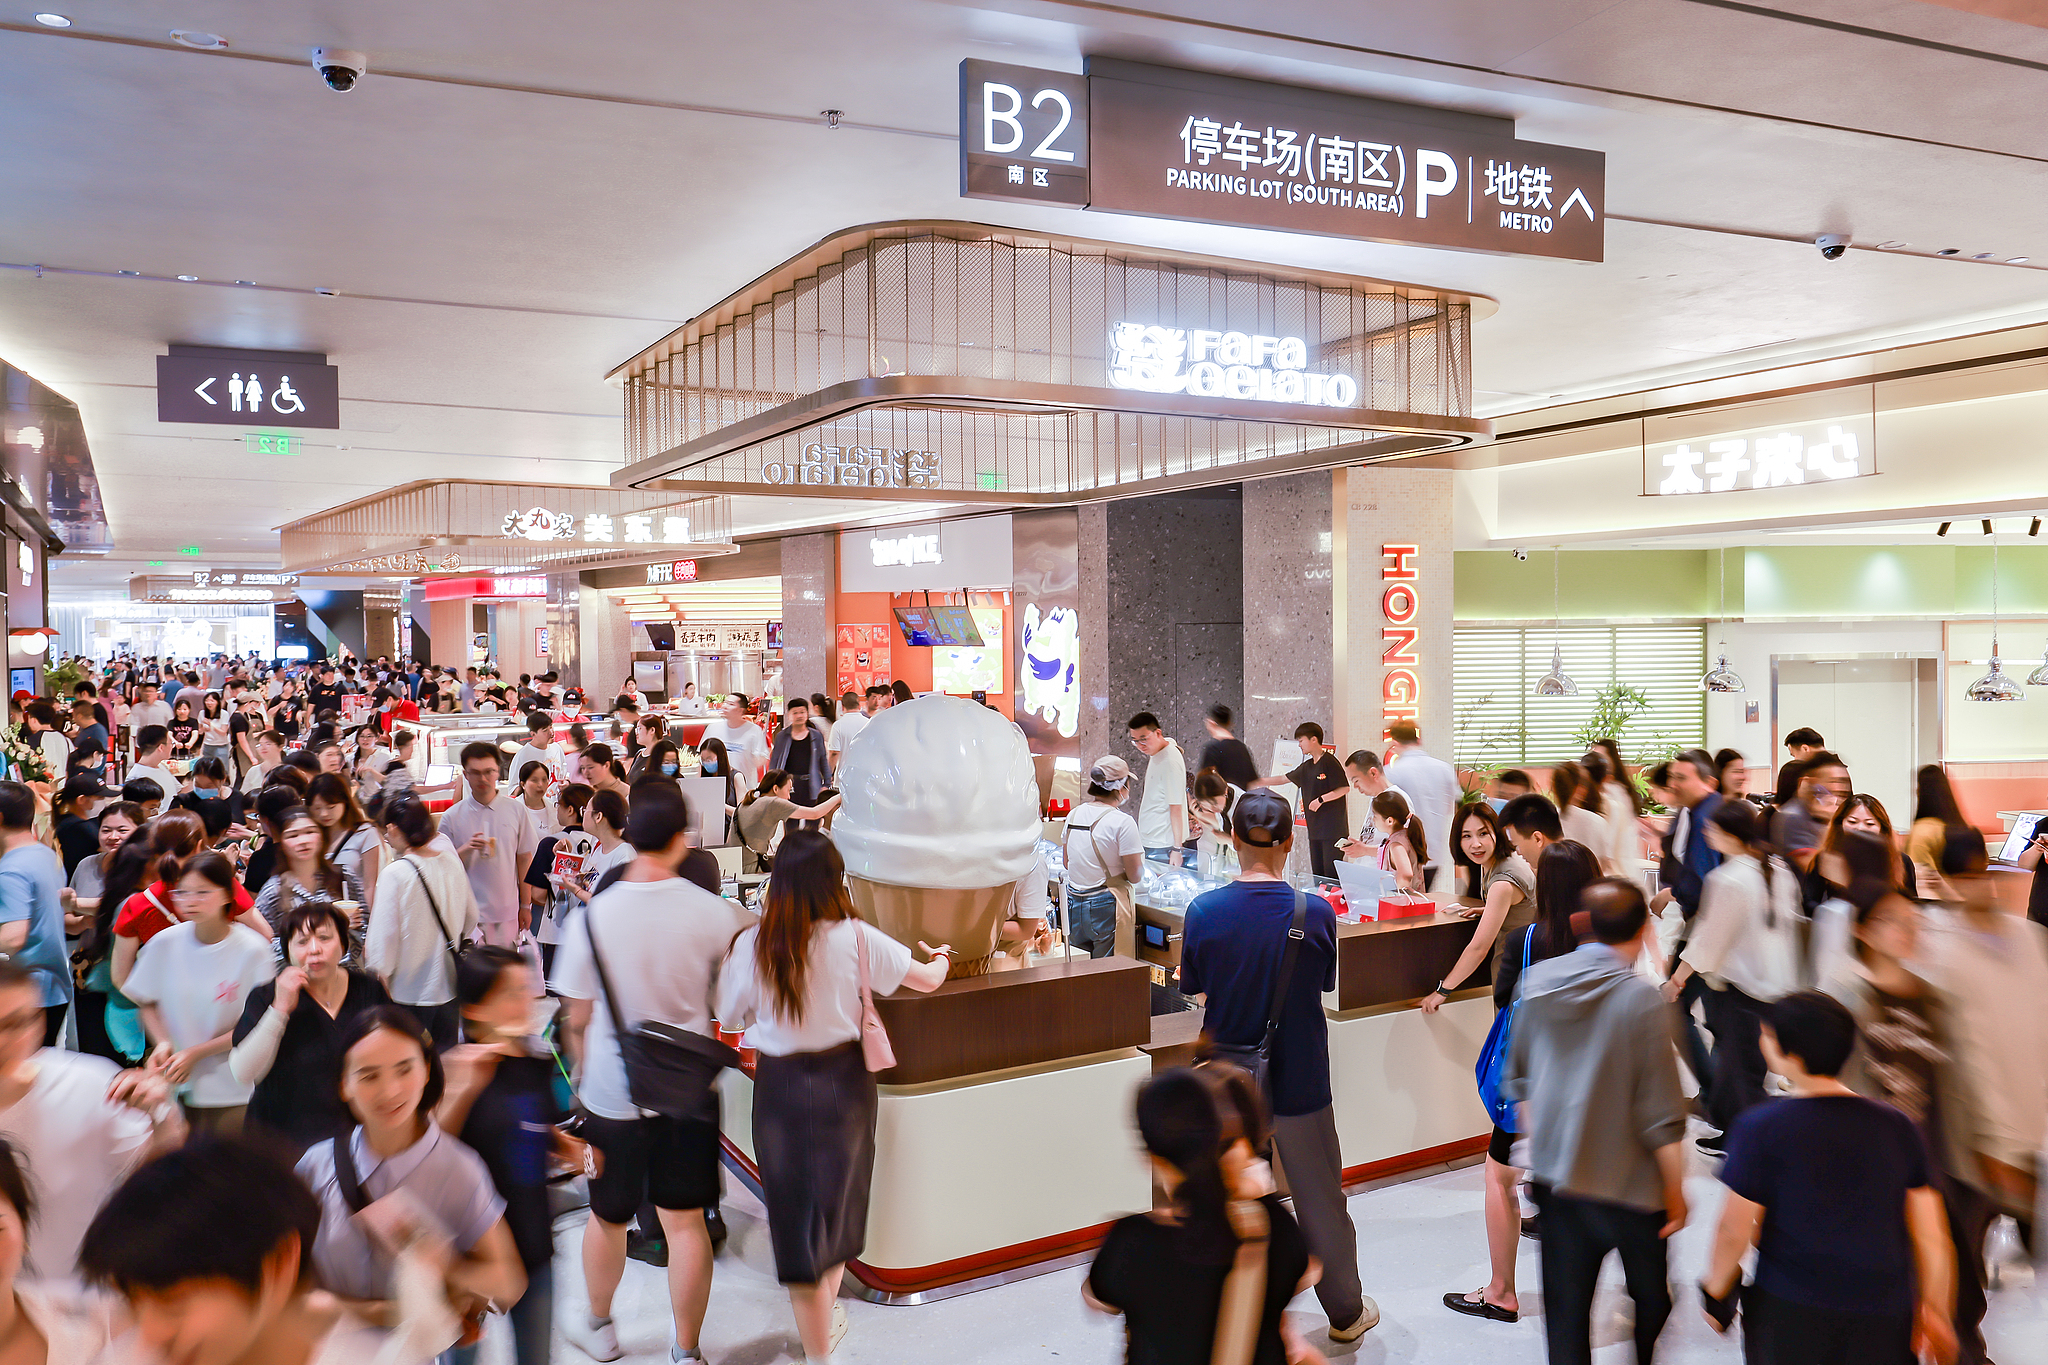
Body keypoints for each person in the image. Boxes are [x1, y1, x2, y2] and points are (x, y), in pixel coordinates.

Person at [714, 830, 951, 1365]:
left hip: (779, 1091)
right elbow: (927, 980)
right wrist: (940, 956)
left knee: (796, 1225)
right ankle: (822, 1332)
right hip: (845, 1088)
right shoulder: (856, 937)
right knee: (841, 1211)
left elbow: (727, 1015)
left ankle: (818, 1345)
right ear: (833, 880)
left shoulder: (754, 944)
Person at [553, 783, 752, 1364]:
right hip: (685, 1090)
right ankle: (686, 1351)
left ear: (633, 834)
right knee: (686, 1225)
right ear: (681, 838)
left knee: (608, 1218)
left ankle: (599, 1328)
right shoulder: (713, 912)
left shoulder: (594, 917)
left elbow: (575, 1018)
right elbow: (735, 995)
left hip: (612, 1095)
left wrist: (584, 1079)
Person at [1177, 789, 1377, 1343]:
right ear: (1290, 842)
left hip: (1228, 1083)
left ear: (1232, 839)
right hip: (1301, 1076)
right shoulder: (1315, 912)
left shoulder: (1203, 911)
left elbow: (1196, 988)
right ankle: (1345, 1313)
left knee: (1227, 1199)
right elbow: (1323, 983)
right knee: (1319, 1200)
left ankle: (1227, 1316)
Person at [1700, 992, 1958, 1365]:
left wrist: (1716, 1293)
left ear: (1790, 1054)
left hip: (1790, 1312)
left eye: (1767, 1035)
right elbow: (1931, 1234)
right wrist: (1937, 1311)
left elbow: (1733, 1230)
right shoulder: (1898, 1126)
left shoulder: (1760, 1128)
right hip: (1883, 1312)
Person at [1503, 879, 1688, 1365]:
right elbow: (1661, 1114)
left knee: (1566, 1320)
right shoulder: (1641, 1001)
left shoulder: (1536, 984)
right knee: (1653, 1298)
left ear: (1580, 923)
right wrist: (1675, 1191)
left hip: (1561, 1184)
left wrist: (1545, 1154)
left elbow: (1520, 1084)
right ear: (1644, 930)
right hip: (1634, 1189)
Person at [1824, 875, 1993, 1364]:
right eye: (1893, 920)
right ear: (1862, 930)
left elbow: (1961, 1086)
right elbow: (1829, 1094)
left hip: (1946, 1168)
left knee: (1961, 1297)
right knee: (1895, 1302)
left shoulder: (1936, 998)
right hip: (1882, 1178)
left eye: (1914, 919)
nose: (1909, 929)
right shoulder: (1843, 1000)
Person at [295, 1008, 524, 1344]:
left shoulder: (458, 1169)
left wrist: (449, 1267)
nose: (390, 1091)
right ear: (344, 1084)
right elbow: (286, 1281)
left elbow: (509, 1281)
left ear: (427, 1070)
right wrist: (384, 1313)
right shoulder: (316, 1166)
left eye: (404, 1069)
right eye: (369, 1076)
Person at [1444, 840, 1600, 1324]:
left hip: (1532, 1085)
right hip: (1592, 1087)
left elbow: (1505, 1003)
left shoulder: (1527, 941)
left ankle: (1501, 1292)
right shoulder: (1608, 944)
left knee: (1499, 1177)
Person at [1916, 825, 2048, 1362]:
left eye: (1983, 873)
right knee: (1963, 1259)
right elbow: (1966, 1058)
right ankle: (1964, 1350)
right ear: (1948, 880)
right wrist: (1992, 1142)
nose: (1981, 887)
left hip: (2028, 1124)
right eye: (1965, 877)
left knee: (2016, 1230)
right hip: (1968, 1141)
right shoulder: (1938, 950)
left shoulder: (2027, 939)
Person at [1085, 1067, 1320, 1365]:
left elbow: (1097, 1299)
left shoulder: (1133, 1240)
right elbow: (1303, 1274)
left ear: (1152, 1159)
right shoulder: (1274, 1225)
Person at [440, 948, 587, 1365]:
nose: (525, 1001)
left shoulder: (535, 1061)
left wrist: (570, 1148)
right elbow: (430, 1153)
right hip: (469, 1254)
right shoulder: (452, 1070)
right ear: (475, 1009)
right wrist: (464, 1087)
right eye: (510, 993)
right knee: (460, 1358)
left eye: (526, 989)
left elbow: (535, 1125)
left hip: (532, 1242)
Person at [0, 957, 187, 1283]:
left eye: (17, 1023)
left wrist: (159, 1115)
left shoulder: (88, 1084)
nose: (4, 1041)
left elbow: (164, 1178)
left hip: (84, 1297)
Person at [1664, 800, 1804, 1140]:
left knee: (1743, 1074)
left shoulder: (1727, 879)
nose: (1707, 833)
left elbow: (1709, 942)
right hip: (1777, 985)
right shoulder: (1778, 870)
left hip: (1741, 989)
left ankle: (1750, 1144)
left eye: (1711, 829)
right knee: (1742, 1067)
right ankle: (1732, 1133)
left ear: (1729, 834)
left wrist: (1677, 980)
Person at [120, 850, 273, 1134]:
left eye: (202, 892)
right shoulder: (163, 943)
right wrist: (163, 1042)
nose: (190, 901)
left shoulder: (253, 950)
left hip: (232, 1082)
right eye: (183, 892)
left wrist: (196, 1054)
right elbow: (146, 1001)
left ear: (228, 895)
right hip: (173, 1082)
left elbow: (258, 1023)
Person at [230, 902, 391, 1156]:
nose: (315, 950)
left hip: (352, 1138)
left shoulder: (368, 989)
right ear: (288, 951)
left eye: (325, 938)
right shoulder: (267, 996)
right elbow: (243, 1072)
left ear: (343, 945)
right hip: (281, 1140)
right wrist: (280, 1009)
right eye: (302, 942)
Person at [368, 793, 478, 1050]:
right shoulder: (450, 861)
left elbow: (383, 941)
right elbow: (472, 916)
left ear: (393, 828)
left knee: (414, 1061)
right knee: (445, 1061)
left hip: (408, 991)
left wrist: (381, 976)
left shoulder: (395, 873)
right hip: (450, 986)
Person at [1420, 802, 1532, 1016]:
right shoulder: (1496, 864)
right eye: (1467, 836)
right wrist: (1490, 910)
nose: (1476, 844)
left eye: (1483, 833)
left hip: (1519, 978)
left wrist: (1442, 991)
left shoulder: (1502, 882)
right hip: (1521, 972)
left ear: (1497, 832)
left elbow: (1479, 948)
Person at [437, 741, 538, 949]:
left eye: (488, 771)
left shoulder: (516, 810)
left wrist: (526, 905)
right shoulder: (451, 817)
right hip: (466, 915)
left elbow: (524, 859)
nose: (482, 778)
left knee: (505, 967)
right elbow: (441, 868)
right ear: (465, 775)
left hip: (507, 912)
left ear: (497, 771)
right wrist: (465, 849)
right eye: (475, 773)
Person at [0, 784, 71, 1045]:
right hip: (53, 988)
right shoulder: (45, 855)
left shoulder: (11, 870)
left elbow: (13, 938)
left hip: (24, 995)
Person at [1060, 757, 1145, 960]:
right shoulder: (1123, 822)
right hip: (1105, 907)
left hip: (1073, 903)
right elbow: (1135, 876)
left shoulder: (1074, 814)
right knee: (1107, 973)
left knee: (1079, 968)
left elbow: (1066, 862)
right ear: (1121, 787)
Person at [252, 805, 362, 953]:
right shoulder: (274, 891)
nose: (303, 841)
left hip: (346, 964)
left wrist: (352, 927)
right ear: (281, 842)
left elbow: (367, 927)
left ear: (322, 835)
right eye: (293, 835)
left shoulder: (343, 876)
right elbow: (262, 944)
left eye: (310, 832)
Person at [1254, 723, 1343, 879]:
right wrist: (1257, 781)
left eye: (1301, 741)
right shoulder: (1307, 766)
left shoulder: (1330, 762)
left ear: (1313, 739)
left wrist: (1320, 800)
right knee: (1318, 875)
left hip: (1332, 830)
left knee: (1331, 876)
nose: (1299, 745)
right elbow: (1283, 778)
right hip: (1315, 829)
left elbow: (1343, 788)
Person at [1384, 722, 1459, 890]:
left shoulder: (1392, 772)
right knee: (1424, 900)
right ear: (1418, 739)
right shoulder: (1444, 769)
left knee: (1402, 902)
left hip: (1403, 854)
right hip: (1434, 853)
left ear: (1394, 743)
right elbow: (1452, 806)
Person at [736, 770, 842, 873]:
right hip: (752, 868)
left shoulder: (748, 802)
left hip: (736, 863)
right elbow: (815, 813)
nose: (789, 797)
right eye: (788, 790)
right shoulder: (773, 803)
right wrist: (839, 797)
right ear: (775, 789)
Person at [308, 772, 382, 918]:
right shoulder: (309, 835)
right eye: (317, 808)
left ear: (345, 803)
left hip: (354, 913)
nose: (324, 814)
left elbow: (369, 885)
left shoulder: (365, 833)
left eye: (331, 807)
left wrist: (372, 920)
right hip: (319, 915)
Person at [1127, 711, 1189, 866]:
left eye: (1144, 739)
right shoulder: (1159, 749)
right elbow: (1170, 742)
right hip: (1152, 839)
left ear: (1158, 733)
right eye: (1135, 741)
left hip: (1163, 845)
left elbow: (1176, 807)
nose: (1140, 746)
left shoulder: (1170, 762)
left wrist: (1177, 849)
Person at [1770, 749, 1848, 872]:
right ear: (1811, 781)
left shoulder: (1840, 810)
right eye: (1832, 781)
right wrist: (1830, 822)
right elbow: (1816, 869)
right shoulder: (1793, 816)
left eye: (1842, 781)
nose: (1839, 788)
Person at [1333, 749, 1412, 864]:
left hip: (1383, 873)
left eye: (1356, 780)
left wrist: (1364, 850)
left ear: (1373, 773)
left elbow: (1404, 848)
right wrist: (1358, 847)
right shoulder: (1375, 799)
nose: (1355, 786)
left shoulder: (1396, 799)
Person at [1908, 763, 1966, 889]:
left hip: (1939, 898)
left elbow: (1923, 881)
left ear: (1919, 791)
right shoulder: (1966, 829)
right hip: (1970, 897)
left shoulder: (1922, 832)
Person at [1548, 762, 1613, 873]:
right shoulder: (1597, 822)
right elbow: (1604, 864)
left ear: (1553, 789)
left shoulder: (1546, 819)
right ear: (1581, 789)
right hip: (1591, 882)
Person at [768, 696, 831, 805]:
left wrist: (826, 784)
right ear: (789, 715)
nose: (799, 716)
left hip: (812, 783)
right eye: (795, 713)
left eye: (802, 712)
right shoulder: (782, 736)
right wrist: (771, 785)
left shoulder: (816, 736)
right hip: (788, 785)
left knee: (812, 813)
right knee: (790, 813)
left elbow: (823, 760)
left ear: (807, 714)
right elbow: (774, 761)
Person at [698, 693, 769, 784]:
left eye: (731, 704)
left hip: (745, 786)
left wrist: (751, 758)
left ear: (740, 710)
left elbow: (761, 759)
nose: (725, 706)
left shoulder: (754, 730)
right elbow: (701, 757)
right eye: (725, 702)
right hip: (718, 785)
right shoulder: (713, 728)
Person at [1369, 789, 1426, 895]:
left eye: (1375, 816)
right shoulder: (1406, 835)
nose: (1373, 819)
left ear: (1390, 821)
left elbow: (1406, 875)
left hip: (1405, 902)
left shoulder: (1396, 845)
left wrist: (1398, 897)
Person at [1189, 769, 1242, 880]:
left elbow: (1252, 846)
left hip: (1245, 857)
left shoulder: (1242, 807)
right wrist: (1200, 815)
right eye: (1206, 805)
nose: (1212, 808)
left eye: (1214, 803)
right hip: (1233, 853)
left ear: (1225, 791)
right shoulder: (1224, 797)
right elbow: (1221, 822)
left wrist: (1227, 840)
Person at [1196, 704, 1260, 792]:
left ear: (1211, 722)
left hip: (1222, 800)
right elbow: (1252, 782)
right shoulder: (1242, 748)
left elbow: (1204, 784)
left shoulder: (1212, 748)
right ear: (1229, 723)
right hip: (1242, 799)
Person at [693, 738, 738, 844]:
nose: (706, 763)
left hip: (730, 836)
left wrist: (718, 805)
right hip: (708, 836)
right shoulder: (704, 778)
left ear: (720, 757)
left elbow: (742, 813)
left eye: (709, 760)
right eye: (703, 760)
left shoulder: (736, 777)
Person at [824, 686, 875, 777]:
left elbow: (834, 753)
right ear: (859, 705)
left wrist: (828, 775)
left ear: (842, 707)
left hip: (844, 776)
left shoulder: (838, 725)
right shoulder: (869, 723)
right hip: (865, 775)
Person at [507, 712, 555, 795]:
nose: (551, 733)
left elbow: (563, 774)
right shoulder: (523, 755)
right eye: (545, 730)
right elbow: (513, 789)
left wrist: (566, 782)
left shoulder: (557, 749)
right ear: (533, 734)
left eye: (551, 727)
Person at [1776, 726, 1826, 795]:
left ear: (1805, 749)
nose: (1795, 760)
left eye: (1794, 755)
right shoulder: (1834, 766)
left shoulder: (1824, 772)